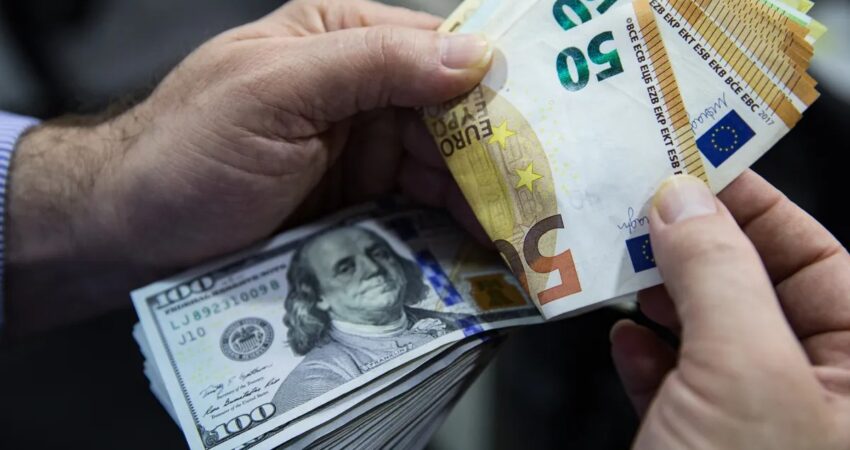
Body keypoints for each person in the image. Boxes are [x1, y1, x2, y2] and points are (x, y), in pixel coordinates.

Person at [0, 0, 847, 448]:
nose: (370, 268)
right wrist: (92, 194)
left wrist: (85, 201)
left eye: (356, 260)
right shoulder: (311, 386)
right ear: (311, 304)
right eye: (343, 271)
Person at [272, 225, 462, 412]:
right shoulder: (312, 382)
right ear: (319, 297)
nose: (373, 268)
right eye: (346, 268)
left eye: (379, 254)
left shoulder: (457, 322)